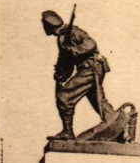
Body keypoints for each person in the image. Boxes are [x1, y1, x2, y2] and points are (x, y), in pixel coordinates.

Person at [42, 10, 115, 140]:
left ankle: (67, 132)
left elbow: (91, 44)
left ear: (48, 25)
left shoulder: (72, 32)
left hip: (90, 68)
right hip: (90, 69)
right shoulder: (62, 38)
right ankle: (121, 132)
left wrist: (73, 51)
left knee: (64, 98)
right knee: (98, 101)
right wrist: (61, 74)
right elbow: (67, 61)